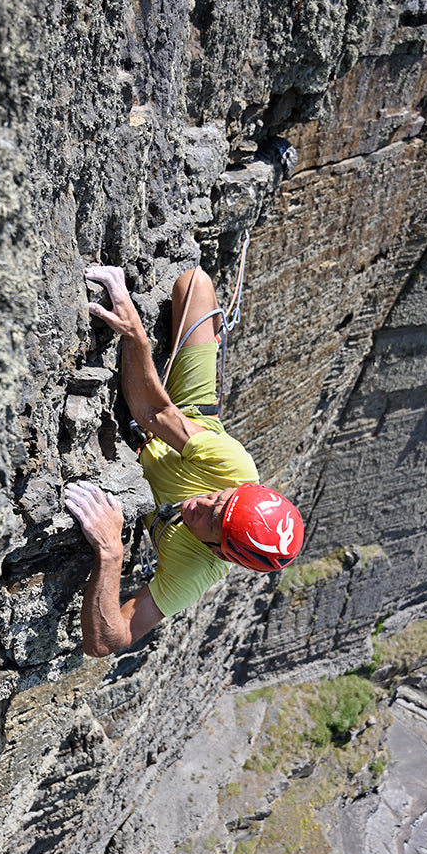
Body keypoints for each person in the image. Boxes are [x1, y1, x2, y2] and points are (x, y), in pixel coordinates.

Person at [64, 264, 304, 657]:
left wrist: (110, 553)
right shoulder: (235, 469)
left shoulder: (194, 571)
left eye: (210, 520)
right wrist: (135, 332)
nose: (201, 504)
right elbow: (151, 413)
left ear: (219, 553)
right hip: (186, 418)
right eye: (220, 499)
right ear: (241, 490)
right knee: (195, 284)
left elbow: (107, 642)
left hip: (162, 456)